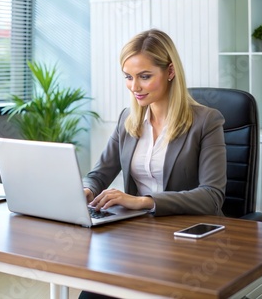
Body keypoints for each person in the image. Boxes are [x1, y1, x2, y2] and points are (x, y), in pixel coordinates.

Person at [79, 29, 227, 299]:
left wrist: (144, 201)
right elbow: (98, 174)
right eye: (128, 77)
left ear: (170, 71)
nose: (134, 87)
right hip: (137, 236)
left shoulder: (207, 121)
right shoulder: (128, 119)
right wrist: (87, 190)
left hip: (186, 237)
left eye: (144, 77)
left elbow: (212, 196)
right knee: (94, 293)